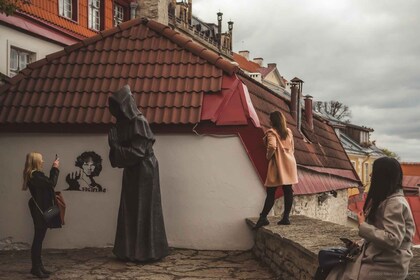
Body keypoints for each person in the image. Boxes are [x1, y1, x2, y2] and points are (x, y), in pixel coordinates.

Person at [326, 157, 415, 280]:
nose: (370, 174)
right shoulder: (388, 199)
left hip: (388, 265)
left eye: (374, 171)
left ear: (383, 176)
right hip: (382, 258)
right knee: (336, 270)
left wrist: (363, 225)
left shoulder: (395, 203)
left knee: (338, 274)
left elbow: (393, 240)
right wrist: (361, 243)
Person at [108, 85, 169, 262]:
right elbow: (124, 153)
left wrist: (116, 147)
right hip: (132, 171)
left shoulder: (139, 122)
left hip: (144, 170)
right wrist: (116, 148)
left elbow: (138, 152)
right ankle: (128, 250)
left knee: (144, 209)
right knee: (130, 209)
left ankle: (147, 251)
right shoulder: (124, 124)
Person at [254, 110, 298, 229]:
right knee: (288, 190)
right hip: (290, 163)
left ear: (273, 121)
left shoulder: (272, 132)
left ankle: (263, 217)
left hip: (278, 164)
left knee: (271, 192)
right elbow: (292, 147)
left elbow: (272, 146)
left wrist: (269, 156)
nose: (269, 120)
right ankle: (286, 218)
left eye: (270, 119)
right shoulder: (288, 131)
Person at [23, 152, 60, 278]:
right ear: (36, 161)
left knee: (39, 238)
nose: (43, 161)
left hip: (40, 209)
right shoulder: (35, 175)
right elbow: (51, 183)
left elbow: (47, 185)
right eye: (41, 159)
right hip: (40, 211)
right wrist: (55, 167)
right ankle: (36, 268)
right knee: (38, 239)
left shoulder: (35, 175)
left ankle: (39, 266)